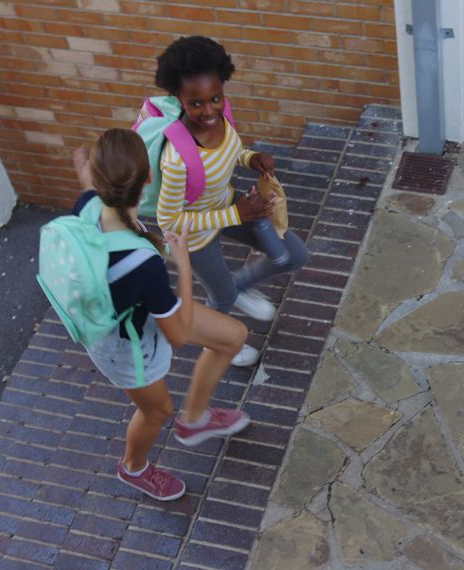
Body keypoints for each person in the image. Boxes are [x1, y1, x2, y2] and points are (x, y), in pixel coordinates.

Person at [71, 129, 251, 501]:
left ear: (98, 179)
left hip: (137, 306)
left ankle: (196, 420)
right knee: (157, 412)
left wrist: (84, 161)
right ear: (150, 179)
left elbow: (84, 172)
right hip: (123, 344)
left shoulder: (88, 205)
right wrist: (183, 265)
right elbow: (179, 334)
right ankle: (133, 468)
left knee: (232, 337)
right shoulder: (143, 264)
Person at [153, 36, 310, 367]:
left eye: (215, 98)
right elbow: (168, 223)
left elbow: (231, 153)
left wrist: (251, 159)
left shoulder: (223, 118)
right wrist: (235, 213)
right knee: (221, 297)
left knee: (294, 255)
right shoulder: (176, 159)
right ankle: (223, 343)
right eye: (196, 104)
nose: (209, 110)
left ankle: (240, 286)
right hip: (195, 236)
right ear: (179, 98)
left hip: (229, 205)